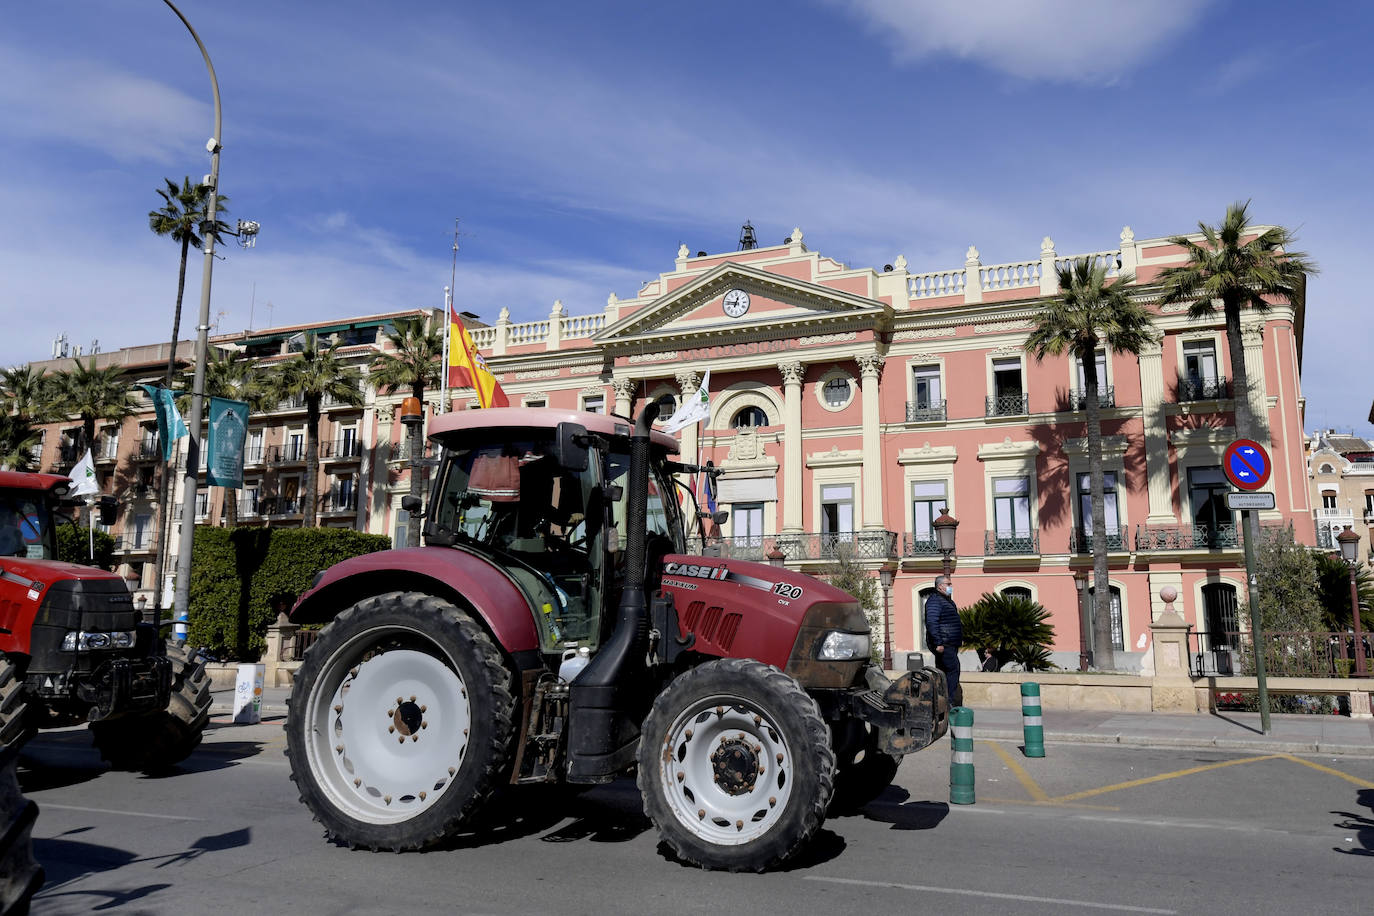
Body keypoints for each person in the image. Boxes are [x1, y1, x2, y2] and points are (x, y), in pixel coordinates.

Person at [924, 574, 963, 706]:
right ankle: (948, 702)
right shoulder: (935, 600)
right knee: (953, 670)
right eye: (948, 584)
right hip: (945, 643)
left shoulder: (945, 600)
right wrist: (938, 642)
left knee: (943, 672)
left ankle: (941, 701)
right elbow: (931, 622)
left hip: (949, 642)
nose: (951, 587)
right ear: (940, 586)